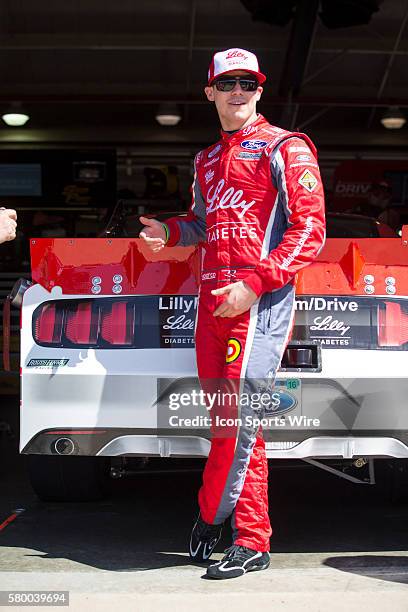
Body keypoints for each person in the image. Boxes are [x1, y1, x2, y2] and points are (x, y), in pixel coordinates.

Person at [140, 48, 325, 579]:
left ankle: (243, 534)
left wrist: (255, 284)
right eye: (227, 84)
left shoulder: (285, 148)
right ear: (210, 92)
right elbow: (201, 223)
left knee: (242, 420)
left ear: (260, 90)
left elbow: (310, 231)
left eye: (248, 83)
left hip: (258, 302)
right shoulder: (205, 160)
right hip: (211, 304)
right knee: (226, 420)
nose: (237, 92)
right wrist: (169, 233)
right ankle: (220, 520)